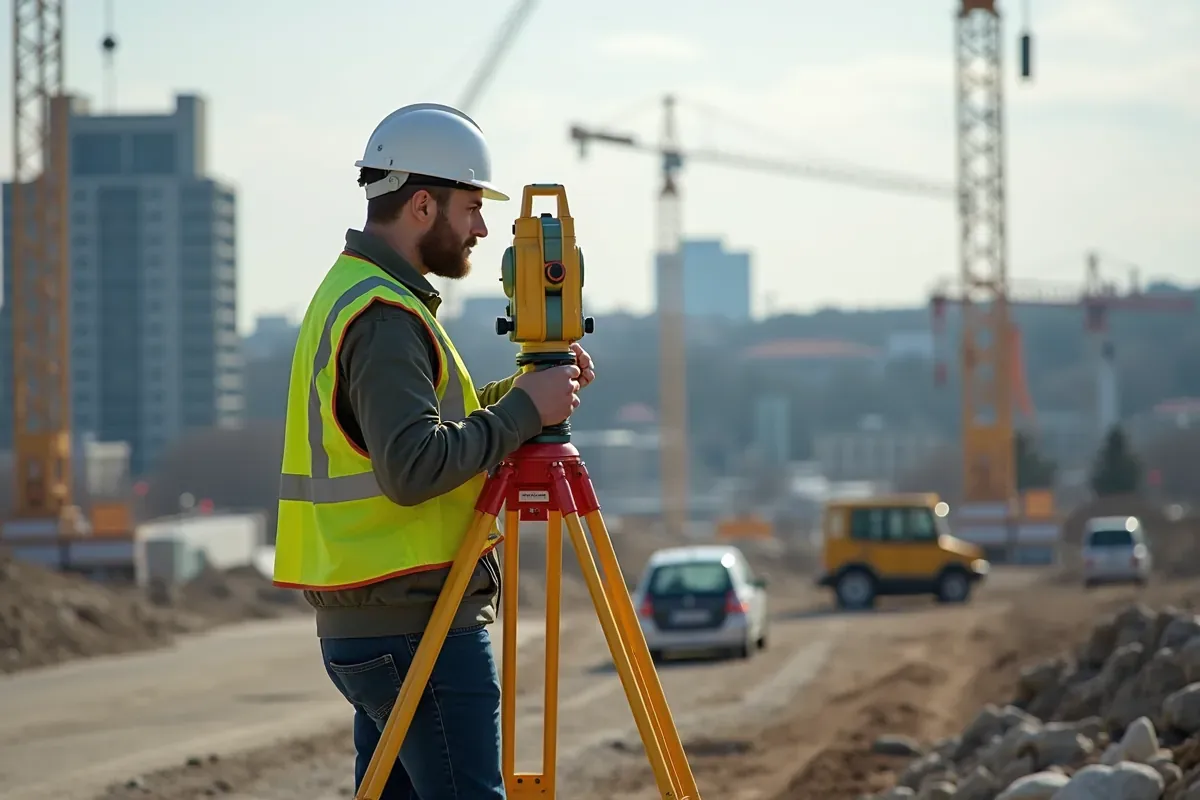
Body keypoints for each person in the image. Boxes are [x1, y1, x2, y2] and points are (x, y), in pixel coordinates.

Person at [272, 103, 596, 800]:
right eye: (472, 207)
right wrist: (523, 412)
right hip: (416, 621)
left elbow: (417, 430)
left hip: (376, 615)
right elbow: (413, 465)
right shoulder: (385, 316)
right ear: (422, 204)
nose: (482, 229)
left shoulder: (360, 294)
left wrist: (527, 394)